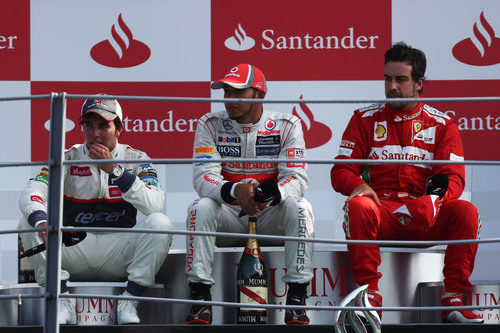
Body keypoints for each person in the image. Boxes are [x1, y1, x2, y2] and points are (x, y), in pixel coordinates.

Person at [331, 42, 483, 324]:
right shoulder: (364, 119)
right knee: (359, 204)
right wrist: (356, 184)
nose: (391, 86)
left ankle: (452, 298)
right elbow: (340, 171)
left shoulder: (442, 124)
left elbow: (455, 177)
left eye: (400, 80)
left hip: (424, 215)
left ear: (419, 83)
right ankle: (368, 296)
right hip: (383, 212)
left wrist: (435, 201)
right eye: (387, 78)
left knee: (466, 212)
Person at [18, 94, 173, 325]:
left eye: (104, 126)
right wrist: (40, 220)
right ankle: (61, 298)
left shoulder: (136, 158)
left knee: (161, 223)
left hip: (119, 254)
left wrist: (115, 171)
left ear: (119, 129)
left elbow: (154, 204)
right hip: (74, 250)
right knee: (27, 221)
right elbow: (32, 190)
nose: (95, 134)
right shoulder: (67, 158)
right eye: (88, 126)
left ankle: (130, 299)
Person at [185, 64, 315, 325]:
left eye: (238, 92)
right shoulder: (209, 124)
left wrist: (268, 192)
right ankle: (200, 299)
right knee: (200, 207)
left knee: (301, 207)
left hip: (269, 216)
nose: (230, 99)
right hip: (230, 216)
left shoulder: (287, 125)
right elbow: (203, 177)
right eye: (227, 92)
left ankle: (297, 300)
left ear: (259, 93)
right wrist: (235, 191)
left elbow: (296, 178)